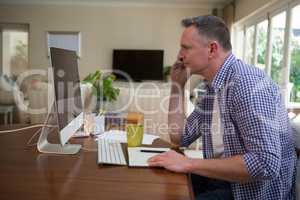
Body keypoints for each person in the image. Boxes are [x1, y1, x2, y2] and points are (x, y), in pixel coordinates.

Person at [148, 15, 297, 200]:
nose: (179, 55)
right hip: (225, 181)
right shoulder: (213, 88)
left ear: (212, 49)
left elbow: (265, 163)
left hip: (250, 193)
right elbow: (180, 137)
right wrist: (177, 87)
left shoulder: (246, 83)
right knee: (156, 182)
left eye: (186, 47)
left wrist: (189, 164)